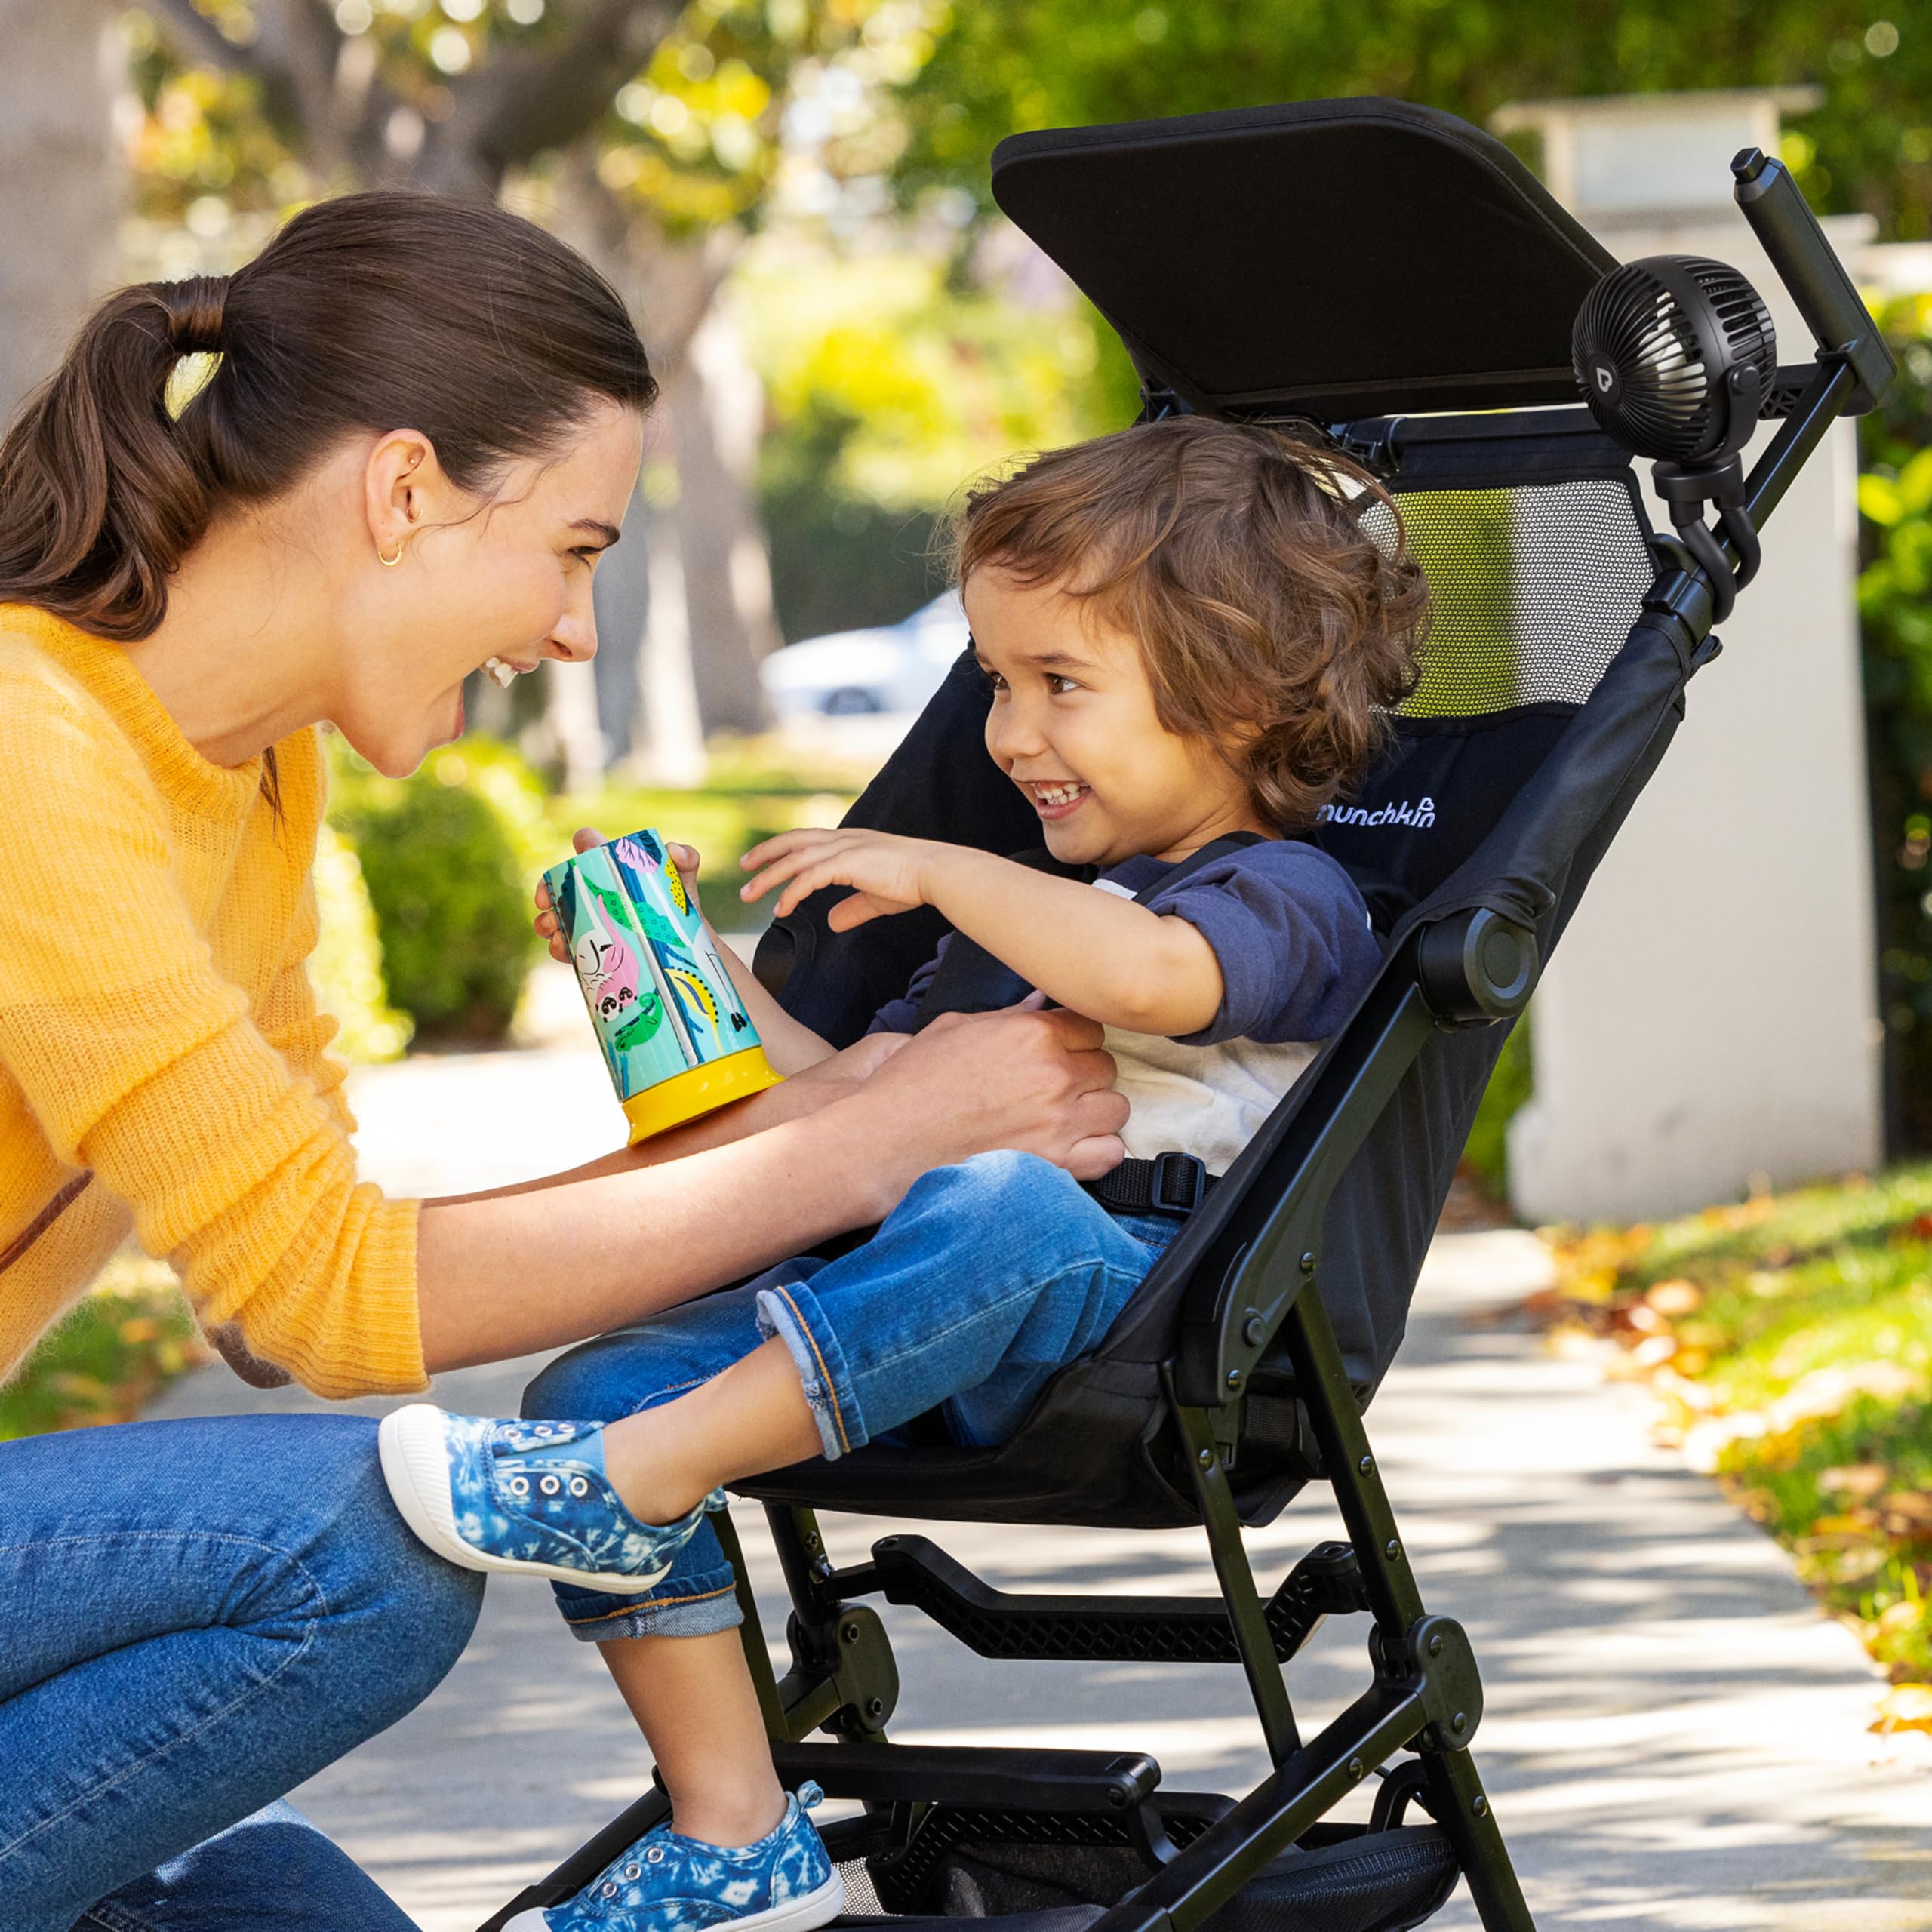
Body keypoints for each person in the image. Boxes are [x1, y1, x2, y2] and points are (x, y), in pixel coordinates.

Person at [0, 194, 1128, 1932]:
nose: (574, 630)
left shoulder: (258, 785)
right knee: (360, 1550)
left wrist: (844, 1110)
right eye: (576, 547)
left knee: (283, 1905)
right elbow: (322, 1298)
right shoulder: (31, 742)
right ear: (401, 494)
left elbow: (267, 1296)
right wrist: (868, 1138)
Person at [377, 417, 1429, 1932]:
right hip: (893, 1329)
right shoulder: (1020, 915)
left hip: (1130, 1322)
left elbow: (1151, 976)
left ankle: (639, 1479)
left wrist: (944, 866)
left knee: (994, 1206)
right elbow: (849, 1096)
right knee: (590, 1384)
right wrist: (695, 974)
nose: (1004, 734)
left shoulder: (1287, 890)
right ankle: (733, 1825)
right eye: (996, 682)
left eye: (1056, 684)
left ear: (1238, 697)